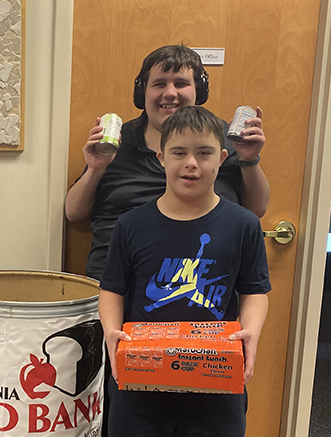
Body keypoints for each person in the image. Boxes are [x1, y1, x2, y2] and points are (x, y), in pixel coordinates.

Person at [99, 105, 271, 436]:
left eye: (203, 152)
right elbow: (112, 289)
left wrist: (251, 330)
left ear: (222, 158)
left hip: (216, 389)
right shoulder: (131, 225)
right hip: (139, 388)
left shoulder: (244, 225)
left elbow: (255, 290)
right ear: (161, 157)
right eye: (179, 152)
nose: (191, 163)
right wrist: (111, 332)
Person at [65, 44, 270, 281]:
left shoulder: (223, 139)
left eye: (181, 83)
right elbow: (74, 212)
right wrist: (95, 168)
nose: (170, 93)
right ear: (143, 92)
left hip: (200, 284)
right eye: (160, 83)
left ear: (198, 90)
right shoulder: (116, 141)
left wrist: (250, 159)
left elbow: (256, 210)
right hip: (117, 283)